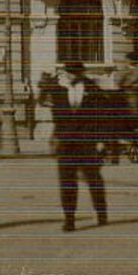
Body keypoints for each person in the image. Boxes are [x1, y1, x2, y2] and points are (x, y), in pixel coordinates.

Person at [45, 61, 111, 231]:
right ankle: (69, 219)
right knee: (67, 181)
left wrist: (101, 140)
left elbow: (102, 118)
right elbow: (57, 118)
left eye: (74, 73)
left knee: (94, 179)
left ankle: (101, 213)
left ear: (81, 73)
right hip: (66, 142)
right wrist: (55, 137)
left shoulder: (93, 90)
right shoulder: (58, 91)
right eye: (69, 72)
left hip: (87, 141)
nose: (71, 76)